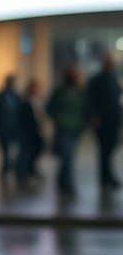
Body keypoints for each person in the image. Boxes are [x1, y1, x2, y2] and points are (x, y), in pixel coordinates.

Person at [46, 65, 87, 199]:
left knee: (68, 158)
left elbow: (85, 110)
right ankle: (67, 185)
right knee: (67, 157)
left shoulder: (80, 93)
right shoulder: (60, 92)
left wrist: (83, 124)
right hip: (64, 130)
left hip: (75, 130)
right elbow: (50, 109)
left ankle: (63, 183)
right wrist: (59, 118)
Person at [86, 51, 121, 190]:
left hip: (113, 121)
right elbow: (90, 100)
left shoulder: (113, 79)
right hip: (102, 122)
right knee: (104, 151)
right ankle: (105, 178)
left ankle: (108, 177)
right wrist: (94, 117)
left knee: (110, 150)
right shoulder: (97, 80)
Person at [0, 74, 24, 181]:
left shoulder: (17, 96)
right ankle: (5, 169)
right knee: (5, 151)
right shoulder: (0, 96)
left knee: (15, 150)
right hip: (3, 128)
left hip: (15, 129)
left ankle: (12, 168)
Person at [17, 79, 44, 183]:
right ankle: (22, 173)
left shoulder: (39, 100)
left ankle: (30, 169)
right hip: (27, 131)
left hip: (35, 130)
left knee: (36, 150)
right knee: (25, 152)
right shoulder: (25, 101)